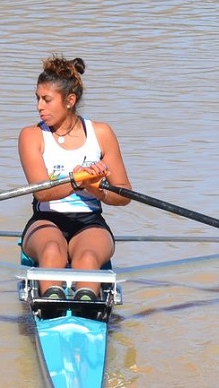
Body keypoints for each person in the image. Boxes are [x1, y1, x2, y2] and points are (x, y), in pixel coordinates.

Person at [19, 55, 132, 301]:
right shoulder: (32, 136)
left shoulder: (101, 133)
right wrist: (77, 180)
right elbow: (42, 192)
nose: (39, 106)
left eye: (47, 100)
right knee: (51, 252)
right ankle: (50, 305)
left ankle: (88, 307)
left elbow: (123, 194)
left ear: (70, 101)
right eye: (37, 98)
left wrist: (97, 190)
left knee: (88, 258)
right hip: (45, 221)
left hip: (89, 221)